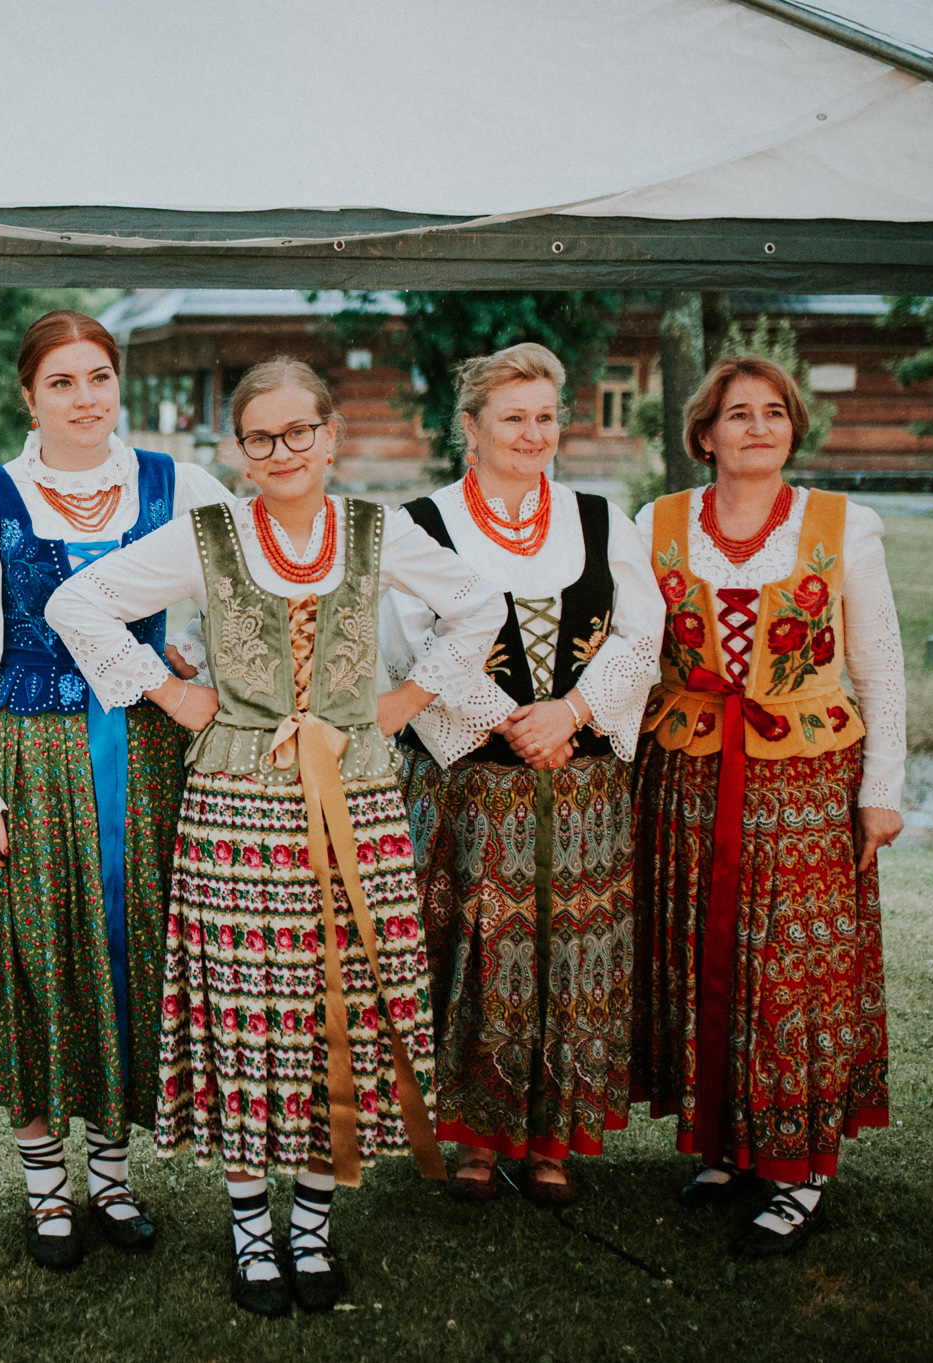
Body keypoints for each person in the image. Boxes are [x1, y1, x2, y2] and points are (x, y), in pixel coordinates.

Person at [46, 356, 507, 1316]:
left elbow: (480, 605)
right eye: (262, 437)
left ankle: (314, 1225)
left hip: (357, 796)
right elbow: (75, 602)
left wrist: (405, 700)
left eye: (300, 431)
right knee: (251, 1007)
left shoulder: (376, 530)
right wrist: (174, 694)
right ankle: (252, 1226)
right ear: (241, 452)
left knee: (344, 1001)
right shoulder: (209, 534)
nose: (283, 450)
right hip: (237, 803)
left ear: (331, 436)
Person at [0, 310, 234, 1273]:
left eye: (98, 377)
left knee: (132, 949)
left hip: (146, 751)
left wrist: (199, 656)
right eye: (61, 382)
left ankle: (112, 1172)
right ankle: (45, 1185)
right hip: (32, 753)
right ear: (30, 397)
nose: (84, 398)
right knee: (41, 951)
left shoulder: (178, 484)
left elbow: (248, 584)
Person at [631, 355, 904, 1256]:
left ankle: (800, 1169)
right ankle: (726, 1145)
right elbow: (631, 652)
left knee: (794, 968)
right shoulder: (658, 523)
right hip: (690, 772)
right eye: (738, 412)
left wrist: (882, 791)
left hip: (806, 779)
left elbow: (880, 664)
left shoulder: (843, 525)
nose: (759, 426)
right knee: (704, 957)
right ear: (704, 434)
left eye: (775, 412)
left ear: (794, 428)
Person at [386, 343, 662, 1207]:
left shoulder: (601, 519)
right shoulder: (419, 525)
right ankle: (474, 1135)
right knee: (475, 951)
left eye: (546, 416)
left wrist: (569, 714)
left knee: (572, 954)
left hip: (580, 787)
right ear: (470, 428)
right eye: (513, 417)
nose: (533, 433)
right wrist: (513, 722)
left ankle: (552, 1137)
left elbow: (641, 635)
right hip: (469, 785)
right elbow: (408, 646)